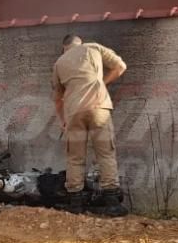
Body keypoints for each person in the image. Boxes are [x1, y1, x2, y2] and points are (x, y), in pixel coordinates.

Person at [52, 34, 128, 217]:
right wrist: (102, 83)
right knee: (105, 154)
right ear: (79, 42)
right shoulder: (93, 47)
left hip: (74, 113)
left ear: (64, 47)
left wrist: (63, 120)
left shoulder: (59, 63)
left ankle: (75, 203)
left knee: (75, 158)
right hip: (98, 108)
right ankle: (112, 203)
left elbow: (58, 99)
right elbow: (120, 67)